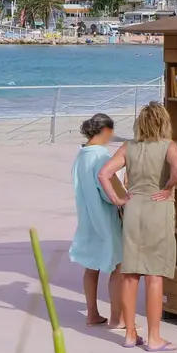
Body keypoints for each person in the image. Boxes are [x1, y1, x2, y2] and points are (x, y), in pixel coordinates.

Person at [101, 102, 177, 351]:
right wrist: (168, 186)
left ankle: (129, 334)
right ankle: (154, 337)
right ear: (163, 122)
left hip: (133, 208)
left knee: (130, 273)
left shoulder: (129, 147)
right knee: (154, 275)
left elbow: (104, 173)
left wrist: (118, 199)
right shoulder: (168, 146)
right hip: (158, 209)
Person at [69, 113, 125, 327]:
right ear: (106, 131)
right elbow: (107, 190)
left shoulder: (81, 154)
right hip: (104, 216)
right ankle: (116, 317)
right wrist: (122, 199)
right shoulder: (101, 156)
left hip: (86, 215)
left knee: (91, 265)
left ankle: (92, 312)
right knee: (118, 265)